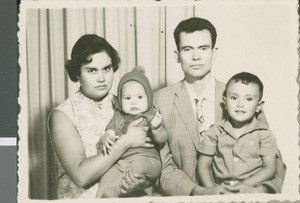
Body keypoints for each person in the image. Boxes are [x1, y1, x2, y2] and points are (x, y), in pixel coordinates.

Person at [120, 17, 286, 196]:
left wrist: (256, 190)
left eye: (203, 48)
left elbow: (274, 161)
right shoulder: (160, 100)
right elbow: (164, 165)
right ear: (177, 55)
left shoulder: (241, 97)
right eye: (187, 49)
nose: (196, 57)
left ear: (214, 52)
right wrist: (198, 191)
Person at [48, 34, 153, 198]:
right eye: (91, 71)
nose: (102, 78)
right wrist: (125, 141)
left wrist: (141, 181)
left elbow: (148, 158)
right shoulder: (62, 115)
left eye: (106, 69)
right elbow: (81, 176)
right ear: (76, 73)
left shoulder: (127, 104)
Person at [96, 65, 168, 198]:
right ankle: (103, 196)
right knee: (107, 174)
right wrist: (106, 137)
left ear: (149, 98)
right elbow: (110, 132)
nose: (134, 102)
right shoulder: (118, 116)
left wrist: (157, 128)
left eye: (140, 97)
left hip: (148, 160)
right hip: (121, 161)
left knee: (137, 168)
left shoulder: (150, 115)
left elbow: (163, 139)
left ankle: (116, 189)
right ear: (120, 101)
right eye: (127, 98)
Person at [198, 72, 277, 192]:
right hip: (221, 191)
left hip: (251, 191)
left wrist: (245, 186)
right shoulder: (215, 131)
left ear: (258, 106)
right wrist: (211, 191)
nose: (240, 104)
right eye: (234, 98)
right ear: (225, 102)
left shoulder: (264, 134)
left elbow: (270, 168)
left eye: (249, 99)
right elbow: (203, 165)